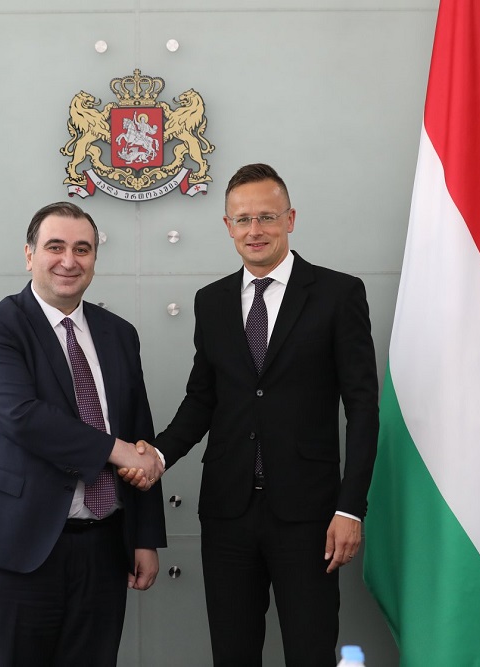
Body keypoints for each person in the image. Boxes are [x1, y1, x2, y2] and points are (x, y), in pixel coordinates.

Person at [123, 163, 379, 665]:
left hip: (310, 516)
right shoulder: (212, 301)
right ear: (227, 226)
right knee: (232, 654)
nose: (254, 230)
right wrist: (156, 455)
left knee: (311, 652)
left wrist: (351, 508)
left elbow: (363, 409)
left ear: (290, 219)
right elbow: (203, 399)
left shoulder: (338, 294)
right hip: (227, 513)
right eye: (242, 219)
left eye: (266, 217)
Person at [0, 201, 166, 667]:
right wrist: (117, 450)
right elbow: (23, 417)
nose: (69, 260)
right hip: (15, 545)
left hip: (104, 547)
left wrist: (144, 536)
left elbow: (139, 432)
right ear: (29, 254)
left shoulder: (119, 334)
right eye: (55, 247)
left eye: (82, 249)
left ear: (94, 259)